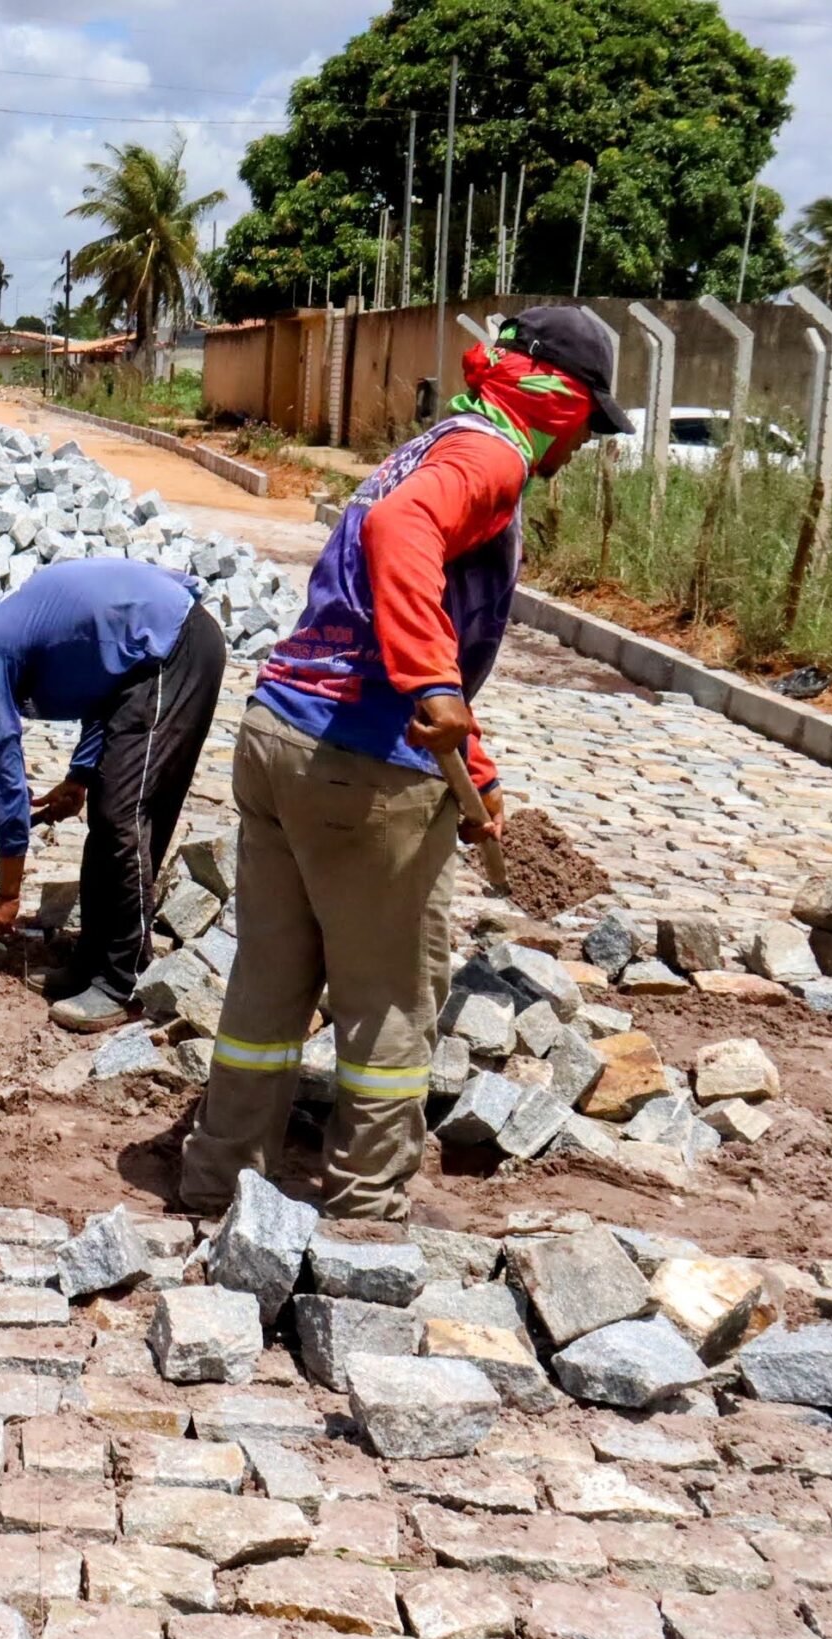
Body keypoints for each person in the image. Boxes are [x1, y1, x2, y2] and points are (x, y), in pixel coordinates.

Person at [181, 308, 629, 1220]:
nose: (584, 446)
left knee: (269, 980)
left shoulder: (438, 440)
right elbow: (400, 537)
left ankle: (219, 1178)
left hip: (283, 736)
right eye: (589, 423)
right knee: (391, 1001)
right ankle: (365, 1212)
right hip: (362, 765)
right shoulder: (493, 458)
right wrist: (430, 684)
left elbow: (409, 619)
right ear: (560, 400)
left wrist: (478, 768)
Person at [0, 557, 227, 1027]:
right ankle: (91, 963)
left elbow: (3, 766)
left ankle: (124, 984)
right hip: (144, 659)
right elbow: (105, 677)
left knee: (122, 816)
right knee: (108, 810)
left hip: (176, 648)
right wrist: (81, 774)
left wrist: (8, 892)